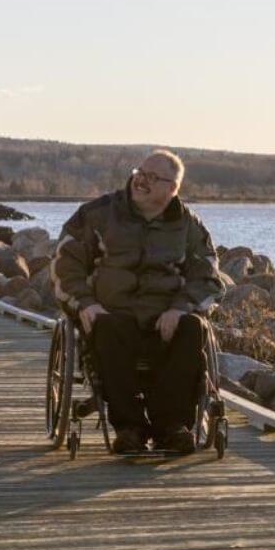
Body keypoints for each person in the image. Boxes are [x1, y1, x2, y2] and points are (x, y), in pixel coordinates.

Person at [52, 149, 224, 454]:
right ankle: (129, 428)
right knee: (107, 326)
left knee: (193, 327)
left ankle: (171, 427)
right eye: (139, 173)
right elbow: (66, 262)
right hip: (113, 313)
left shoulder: (189, 225)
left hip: (165, 317)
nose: (140, 181)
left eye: (152, 178)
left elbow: (207, 277)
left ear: (172, 189)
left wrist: (180, 308)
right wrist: (85, 303)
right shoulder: (99, 213)